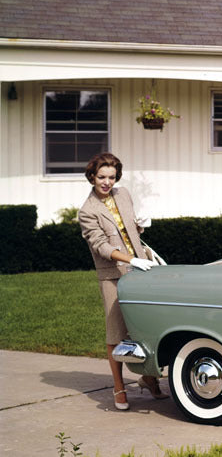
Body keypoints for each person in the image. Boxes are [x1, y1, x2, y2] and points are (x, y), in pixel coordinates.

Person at [79, 152, 167, 411]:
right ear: (92, 177)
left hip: (140, 268)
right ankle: (119, 387)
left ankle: (149, 379)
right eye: (102, 177)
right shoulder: (87, 211)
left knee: (146, 326)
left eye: (112, 177)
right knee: (116, 333)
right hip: (113, 276)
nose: (107, 182)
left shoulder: (123, 194)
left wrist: (140, 226)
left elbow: (128, 230)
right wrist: (129, 259)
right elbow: (101, 246)